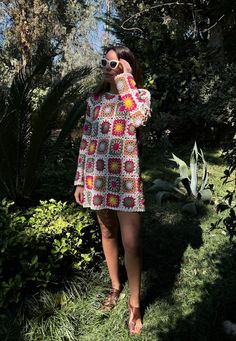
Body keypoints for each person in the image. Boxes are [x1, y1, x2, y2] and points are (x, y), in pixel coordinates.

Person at [74, 45, 151, 336]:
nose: (107, 67)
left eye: (114, 63)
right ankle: (115, 287)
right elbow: (86, 140)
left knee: (132, 244)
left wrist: (125, 81)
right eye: (104, 62)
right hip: (97, 178)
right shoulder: (94, 100)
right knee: (107, 234)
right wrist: (80, 180)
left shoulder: (139, 95)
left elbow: (139, 118)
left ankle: (135, 305)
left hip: (127, 181)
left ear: (127, 66)